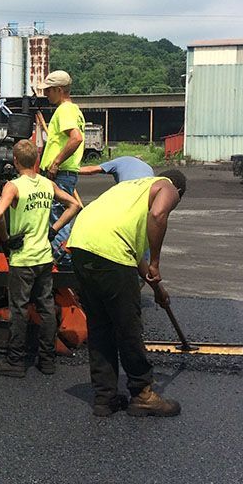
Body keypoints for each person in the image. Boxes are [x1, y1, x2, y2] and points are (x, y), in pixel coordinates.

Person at [67, 170, 187, 418]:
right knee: (128, 326)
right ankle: (143, 395)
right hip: (109, 251)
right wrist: (155, 261)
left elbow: (133, 258)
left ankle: (104, 397)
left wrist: (158, 290)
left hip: (80, 245)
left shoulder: (131, 190)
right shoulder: (168, 187)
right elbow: (159, 214)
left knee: (100, 325)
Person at [0, 139, 82, 378]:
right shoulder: (47, 184)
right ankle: (47, 361)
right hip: (43, 256)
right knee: (46, 307)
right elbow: (74, 205)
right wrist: (53, 229)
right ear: (37, 161)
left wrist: (6, 238)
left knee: (18, 309)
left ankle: (16, 362)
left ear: (16, 161)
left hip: (23, 259)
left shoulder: (13, 186)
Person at [36, 70, 85, 267]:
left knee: (57, 219)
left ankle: (64, 267)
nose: (46, 94)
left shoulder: (64, 110)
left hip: (60, 174)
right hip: (65, 174)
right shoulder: (75, 110)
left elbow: (76, 138)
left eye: (48, 91)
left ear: (58, 89)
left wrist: (55, 163)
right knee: (60, 217)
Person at [79, 155, 154, 183]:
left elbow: (91, 170)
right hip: (150, 188)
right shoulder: (148, 167)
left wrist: (70, 170)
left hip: (129, 186)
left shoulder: (122, 160)